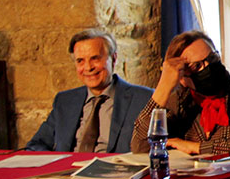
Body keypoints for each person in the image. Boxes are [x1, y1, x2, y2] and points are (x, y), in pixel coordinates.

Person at [131, 31, 230, 156]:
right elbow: (140, 146)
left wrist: (196, 148)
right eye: (197, 66)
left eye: (212, 59)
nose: (208, 67)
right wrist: (163, 87)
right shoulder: (179, 101)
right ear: (183, 79)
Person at [25, 29, 153, 153]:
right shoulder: (65, 101)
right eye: (80, 61)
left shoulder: (143, 99)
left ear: (113, 59)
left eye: (95, 58)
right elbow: (36, 145)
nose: (88, 67)